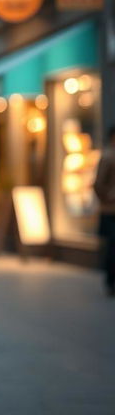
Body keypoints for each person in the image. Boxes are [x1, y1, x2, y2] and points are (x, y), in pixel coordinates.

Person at [94, 125, 115, 296]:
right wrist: (108, 197)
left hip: (109, 208)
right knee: (112, 247)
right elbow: (99, 184)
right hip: (110, 210)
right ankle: (111, 281)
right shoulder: (108, 156)